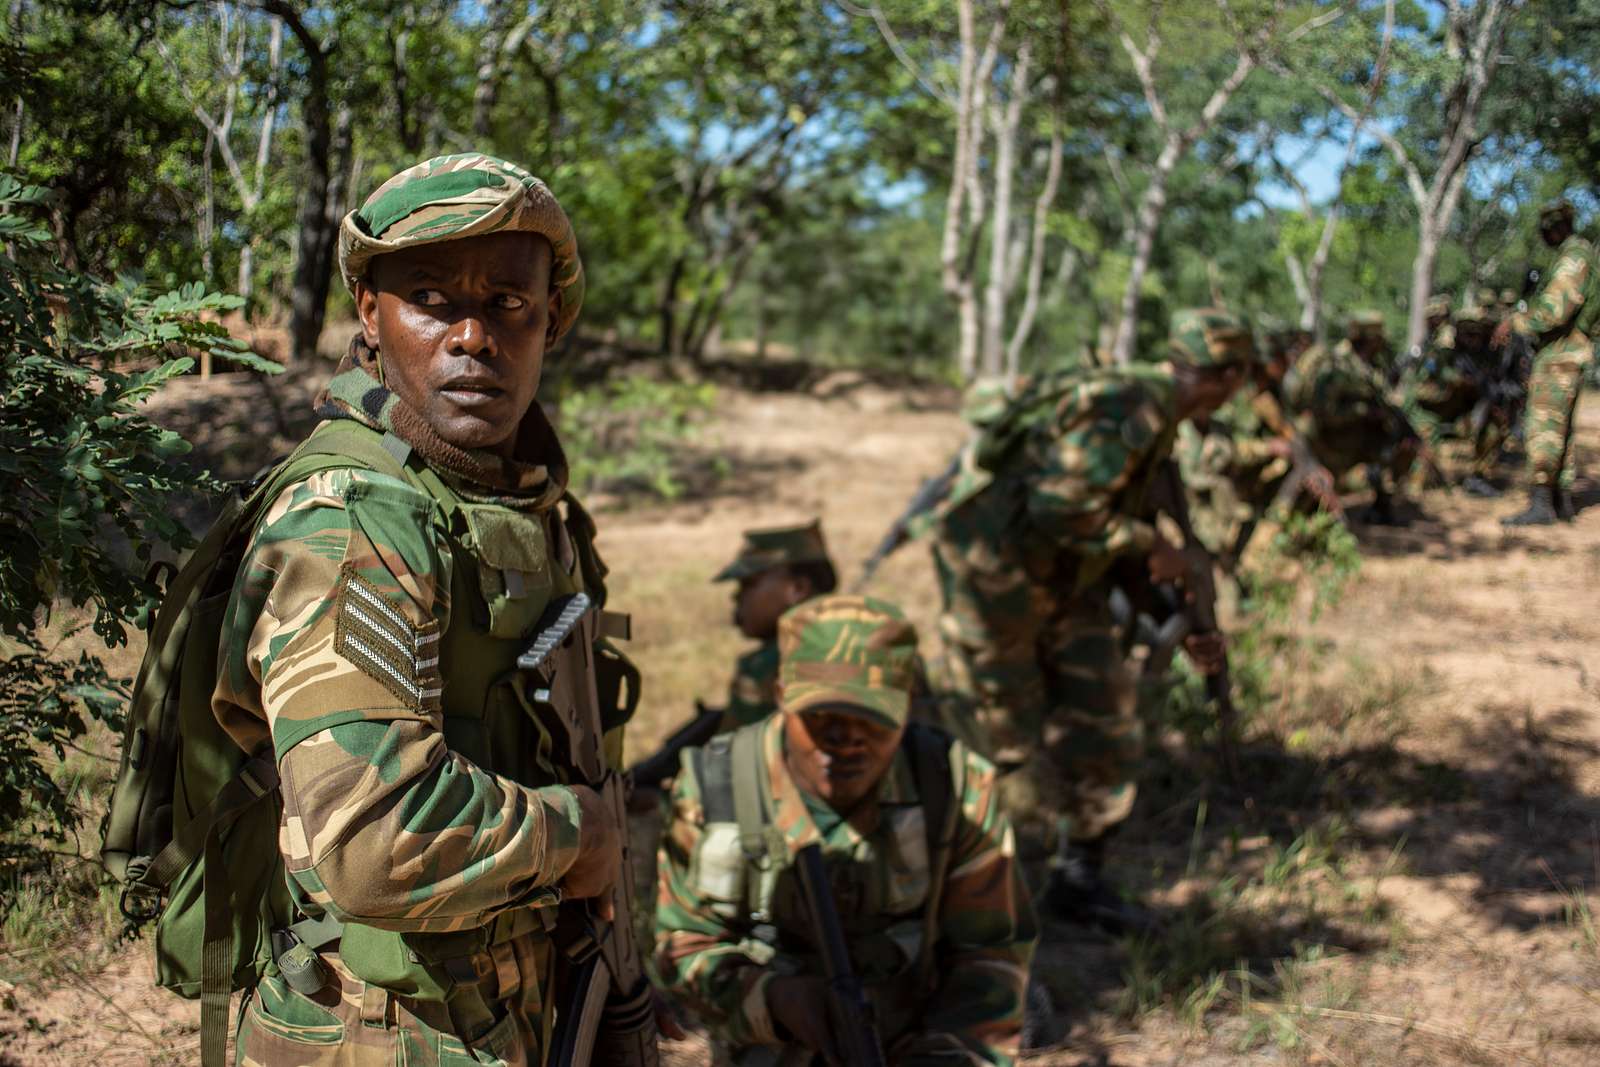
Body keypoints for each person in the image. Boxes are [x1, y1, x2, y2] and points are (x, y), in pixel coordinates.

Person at [212, 153, 649, 1065]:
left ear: (549, 324)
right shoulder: (354, 518)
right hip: (381, 1028)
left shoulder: (516, 499)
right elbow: (376, 837)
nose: (474, 336)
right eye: (432, 299)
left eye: (508, 303)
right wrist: (581, 834)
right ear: (370, 315)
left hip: (506, 1005)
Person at [921, 308, 1250, 932]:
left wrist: (1175, 622)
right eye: (1236, 380)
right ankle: (968, 909)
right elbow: (1059, 507)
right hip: (998, 584)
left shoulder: (1158, 415)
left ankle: (1078, 881)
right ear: (1225, 377)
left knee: (1105, 720)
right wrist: (1149, 542)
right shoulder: (1134, 404)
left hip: (1069, 586)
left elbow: (1110, 530)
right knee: (999, 743)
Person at [653, 595, 1038, 1066]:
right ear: (780, 695)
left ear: (907, 708)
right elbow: (683, 948)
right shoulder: (717, 785)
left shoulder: (955, 787)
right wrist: (775, 999)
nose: (847, 737)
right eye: (822, 715)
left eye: (872, 717)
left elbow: (991, 956)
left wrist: (948, 1056)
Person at [1495, 199, 1598, 525]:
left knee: (1544, 429)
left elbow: (1555, 311)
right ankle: (1558, 501)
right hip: (1566, 353)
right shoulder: (1576, 254)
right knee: (1559, 430)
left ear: (1556, 227)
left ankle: (1542, 504)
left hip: (1560, 355)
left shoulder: (1574, 255)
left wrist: (1518, 322)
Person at [1284, 311, 1420, 524]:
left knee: (1401, 447)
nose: (1381, 344)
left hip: (1358, 439)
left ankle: (1381, 503)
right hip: (1329, 443)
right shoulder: (1337, 364)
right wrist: (1364, 412)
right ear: (1370, 338)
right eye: (1378, 339)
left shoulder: (1370, 365)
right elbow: (1324, 412)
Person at [714, 520, 839, 730]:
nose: (736, 596)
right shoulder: (879, 643)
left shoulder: (767, 667)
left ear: (798, 589)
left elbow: (735, 758)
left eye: (748, 584)